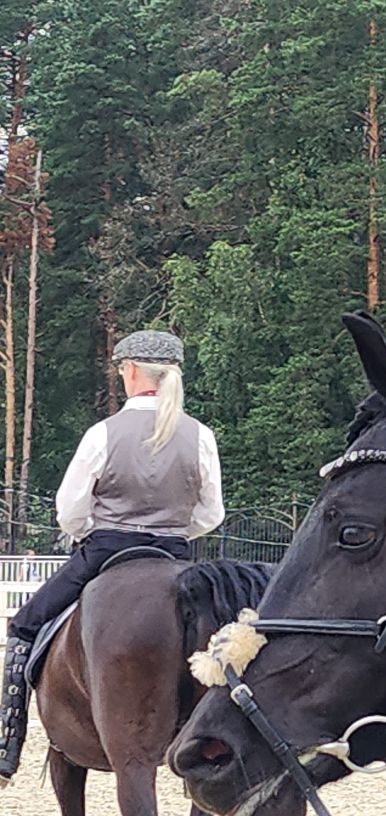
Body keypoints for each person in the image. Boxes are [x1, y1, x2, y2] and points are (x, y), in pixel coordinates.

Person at [0, 331, 225, 779]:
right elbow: (211, 512)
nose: (122, 376)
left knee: (25, 623)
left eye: (122, 369)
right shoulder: (200, 435)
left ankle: (8, 741)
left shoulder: (104, 433)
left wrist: (94, 533)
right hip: (176, 554)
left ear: (134, 371)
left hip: (106, 548)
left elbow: (69, 509)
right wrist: (175, 532)